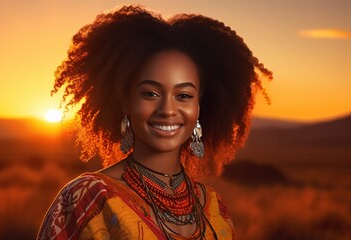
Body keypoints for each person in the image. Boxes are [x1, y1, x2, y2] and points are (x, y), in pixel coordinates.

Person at [37, 4, 272, 240]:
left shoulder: (215, 209)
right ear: (126, 102)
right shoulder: (89, 199)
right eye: (150, 93)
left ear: (199, 107)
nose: (168, 109)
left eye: (184, 96)